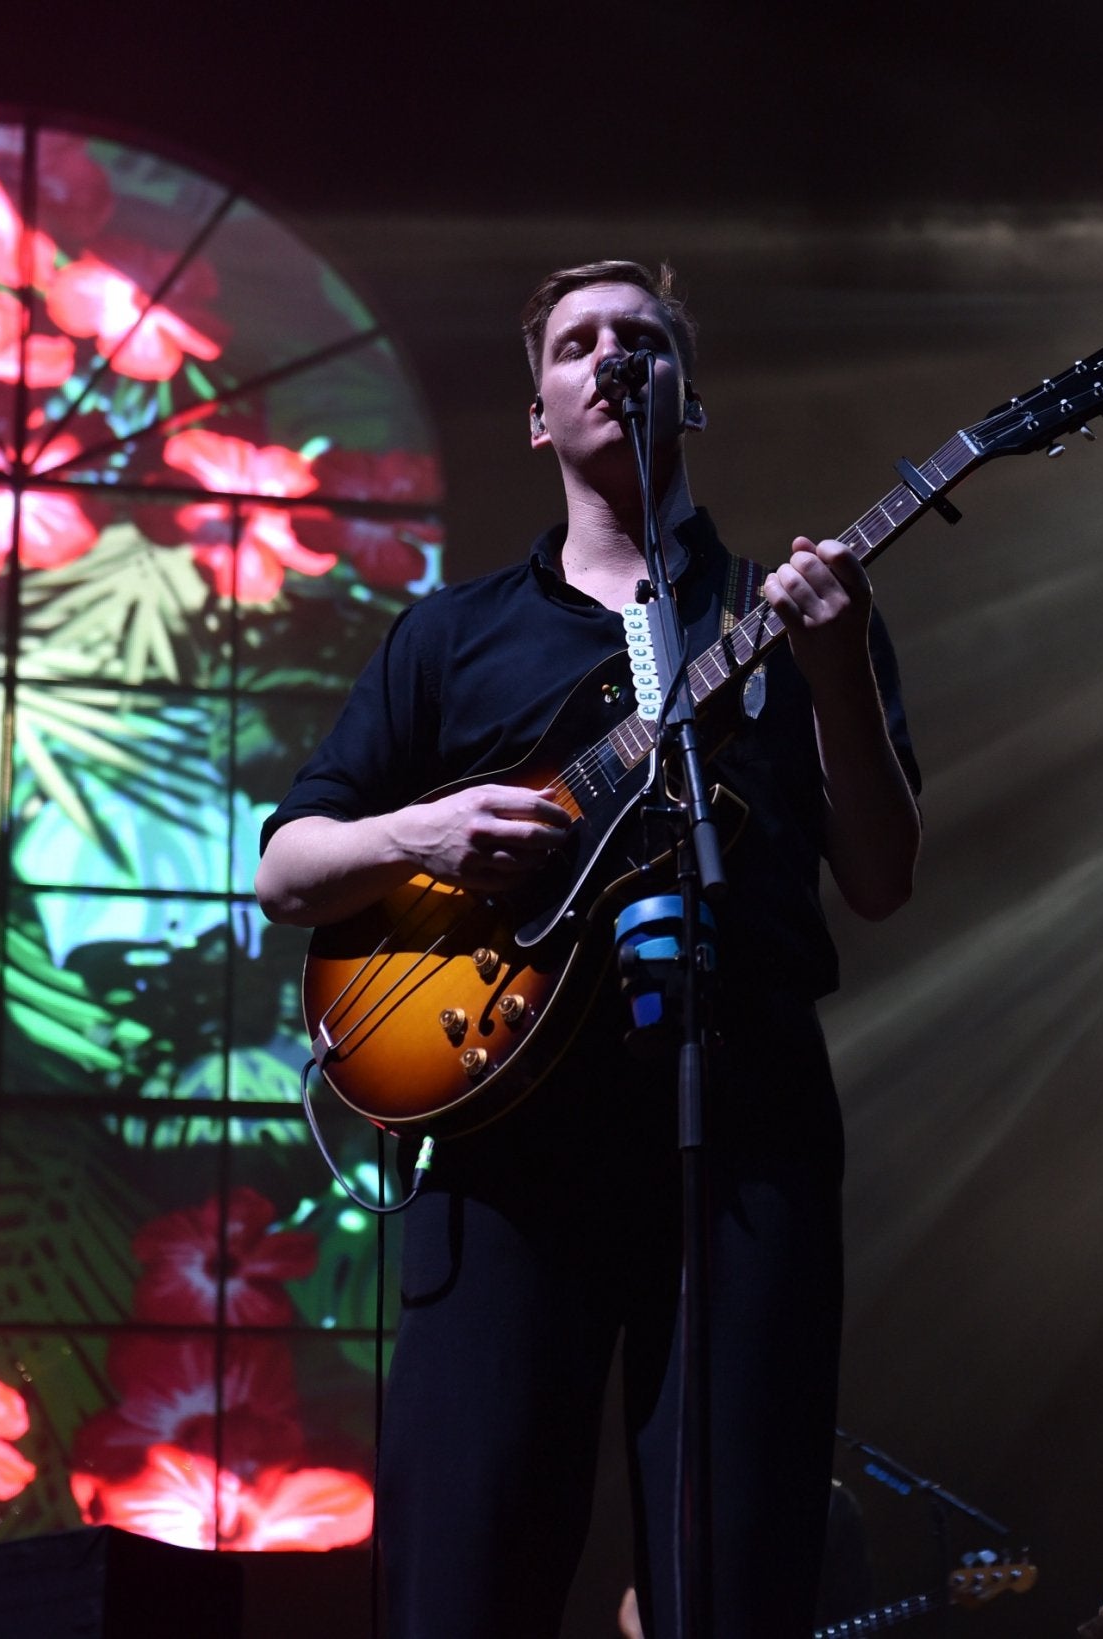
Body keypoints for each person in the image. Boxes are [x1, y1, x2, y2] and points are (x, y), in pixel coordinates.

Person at [256, 261, 922, 1638]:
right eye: (579, 344)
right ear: (540, 415)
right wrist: (424, 831)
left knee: (733, 1582)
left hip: (744, 1123)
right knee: (466, 1577)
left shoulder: (787, 611)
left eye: (645, 340)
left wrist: (839, 671)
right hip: (505, 1145)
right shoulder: (452, 637)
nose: (614, 357)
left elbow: (880, 877)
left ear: (691, 392)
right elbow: (287, 871)